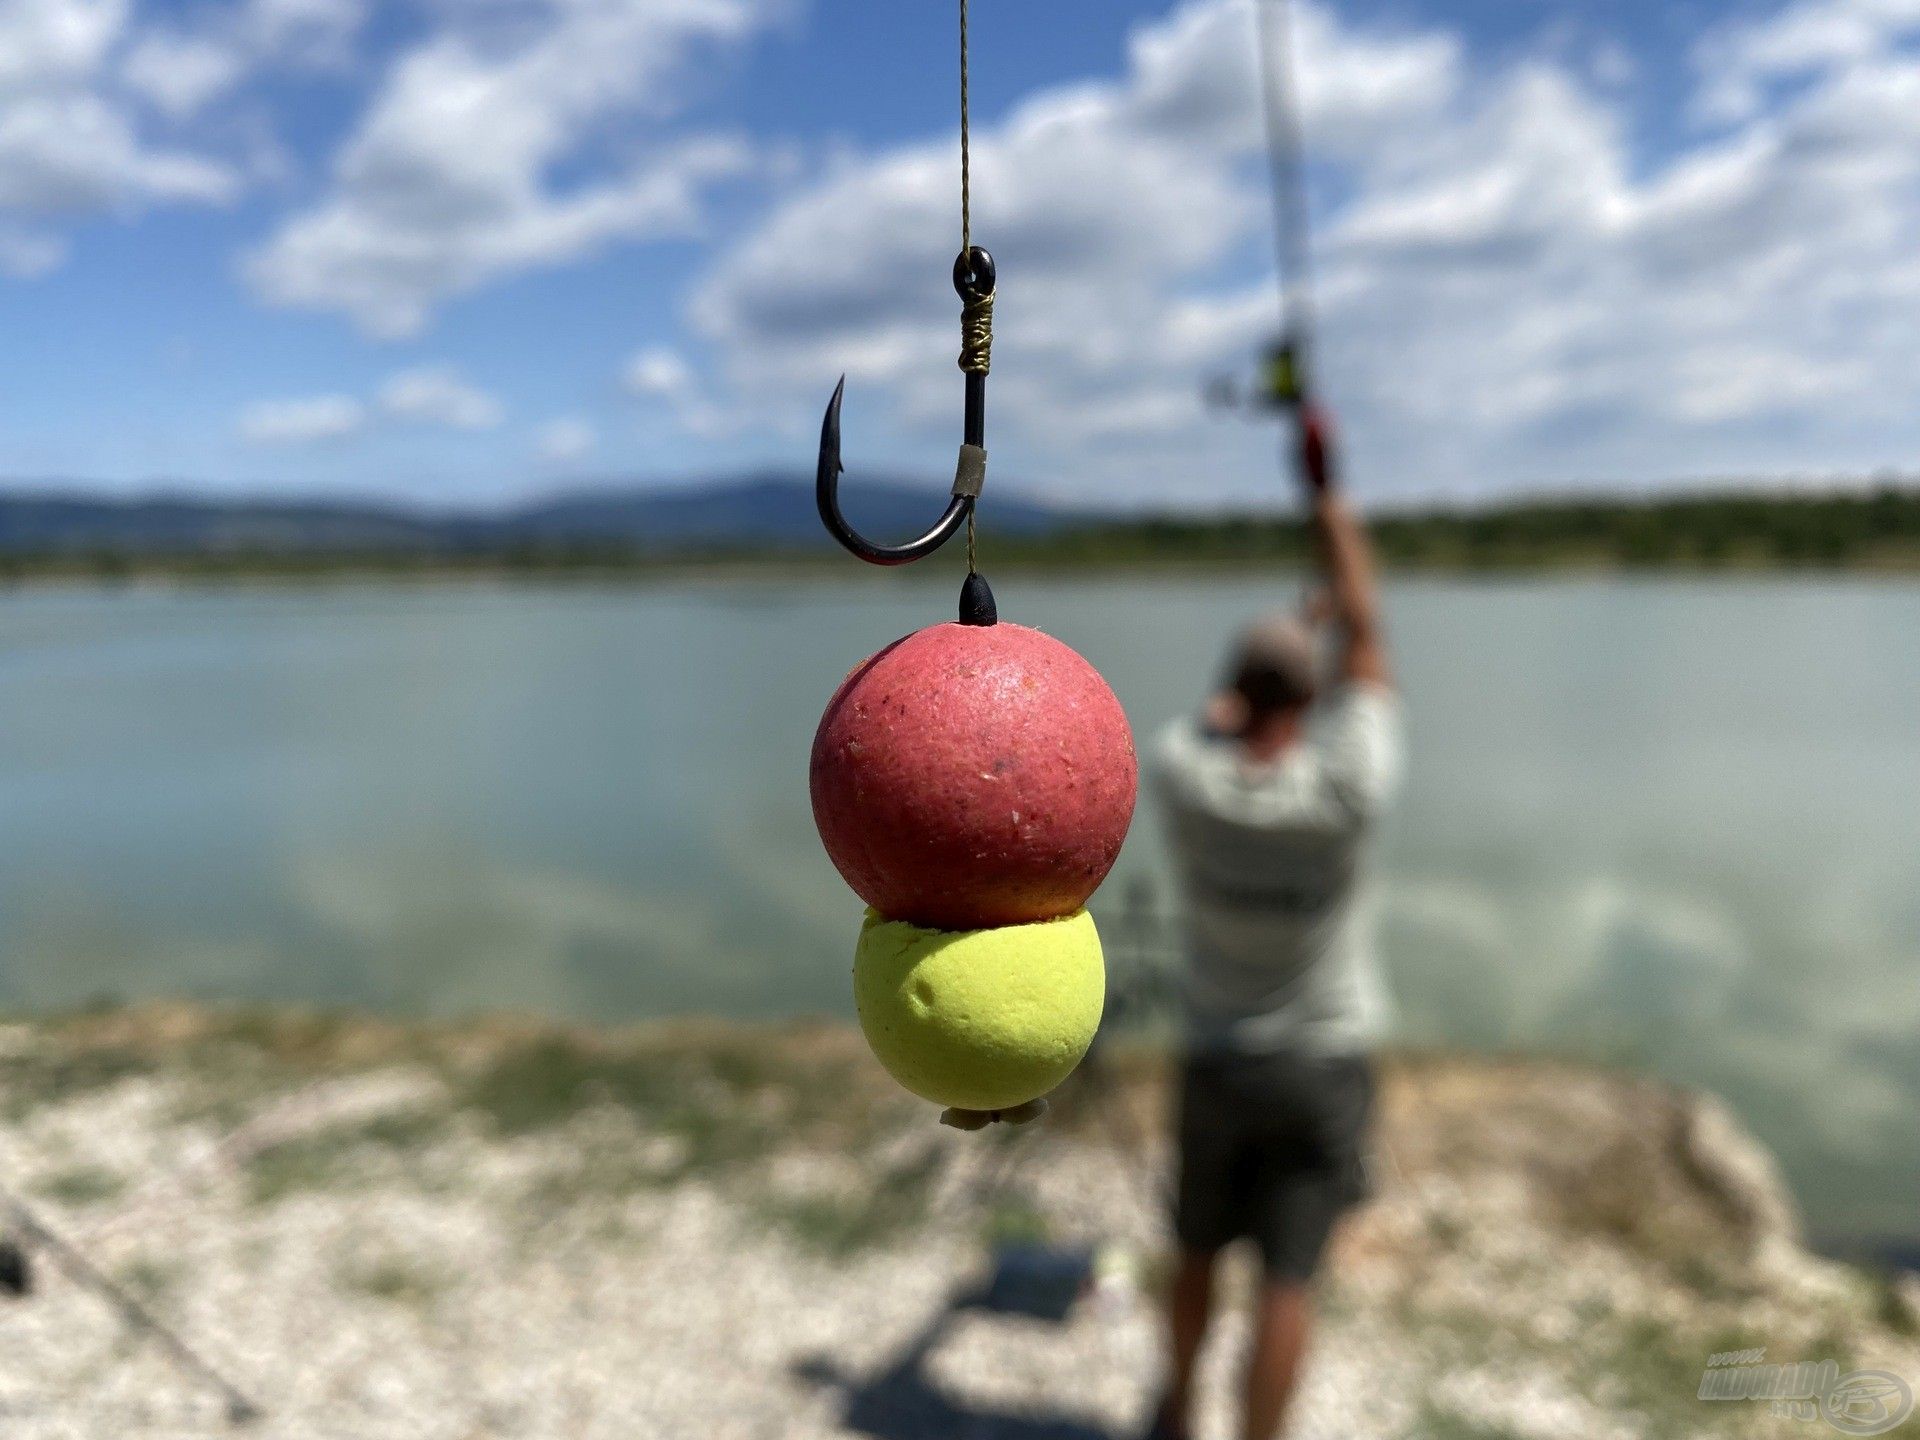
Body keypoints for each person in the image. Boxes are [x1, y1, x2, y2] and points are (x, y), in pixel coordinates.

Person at [1145, 441, 1403, 1440]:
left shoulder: (1184, 774)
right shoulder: (1348, 786)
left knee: (1197, 1253)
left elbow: (1211, 723)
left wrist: (1259, 672)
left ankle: (1176, 1409)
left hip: (1217, 1057)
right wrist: (1329, 489)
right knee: (1289, 1280)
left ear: (1234, 694)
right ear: (1310, 705)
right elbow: (1370, 639)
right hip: (1323, 1061)